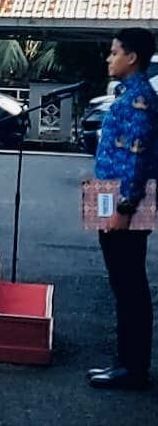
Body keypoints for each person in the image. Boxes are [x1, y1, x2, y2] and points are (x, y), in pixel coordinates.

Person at [89, 27, 158, 391]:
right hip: (110, 193)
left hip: (124, 200)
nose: (109, 58)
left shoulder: (138, 100)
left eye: (114, 52)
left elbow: (135, 157)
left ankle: (132, 367)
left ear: (132, 57)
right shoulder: (129, 93)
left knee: (129, 282)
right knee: (122, 282)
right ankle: (125, 361)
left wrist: (125, 207)